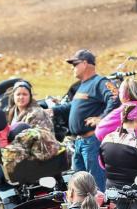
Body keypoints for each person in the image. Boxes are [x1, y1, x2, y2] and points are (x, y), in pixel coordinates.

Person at [51, 49, 120, 191]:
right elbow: (74, 106)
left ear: (85, 63)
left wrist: (101, 118)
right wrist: (54, 110)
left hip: (92, 141)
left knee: (97, 184)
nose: (73, 68)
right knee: (80, 186)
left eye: (75, 64)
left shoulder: (100, 82)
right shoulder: (83, 85)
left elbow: (115, 98)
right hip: (79, 142)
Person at [0, 80, 53, 200]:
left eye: (25, 94)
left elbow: (42, 138)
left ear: (30, 96)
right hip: (11, 151)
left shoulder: (37, 113)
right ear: (13, 96)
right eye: (18, 94)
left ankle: (9, 197)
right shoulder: (11, 113)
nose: (21, 97)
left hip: (31, 154)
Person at [95, 77, 137, 141]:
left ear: (125, 95)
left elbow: (100, 131)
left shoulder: (125, 110)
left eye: (120, 92)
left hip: (126, 148)